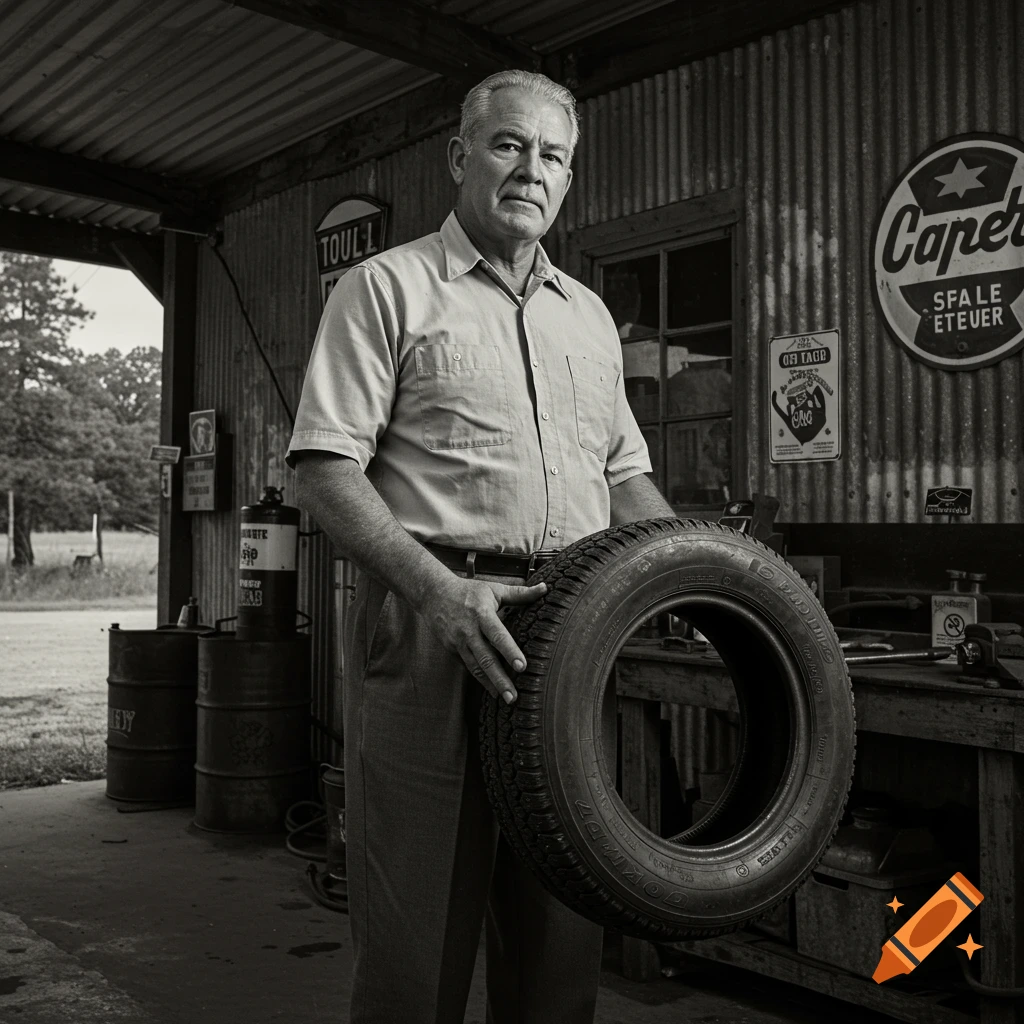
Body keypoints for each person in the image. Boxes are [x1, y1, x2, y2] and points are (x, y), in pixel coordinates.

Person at [287, 68, 676, 1024]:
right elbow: (324, 468)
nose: (530, 171)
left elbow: (624, 476)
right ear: (462, 155)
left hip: (568, 631)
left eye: (553, 156)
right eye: (509, 145)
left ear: (569, 177)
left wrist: (688, 578)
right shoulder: (387, 288)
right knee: (417, 939)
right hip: (429, 620)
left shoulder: (587, 317)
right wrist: (432, 592)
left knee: (557, 934)